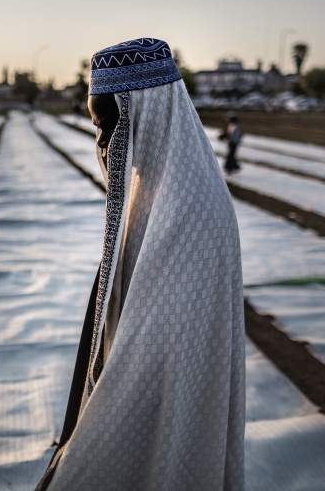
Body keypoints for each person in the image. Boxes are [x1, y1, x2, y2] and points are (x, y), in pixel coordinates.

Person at [36, 38, 245, 490]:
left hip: (155, 386)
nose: (102, 142)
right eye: (97, 127)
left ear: (144, 117)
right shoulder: (152, 190)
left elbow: (158, 355)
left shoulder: (190, 209)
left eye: (109, 125)